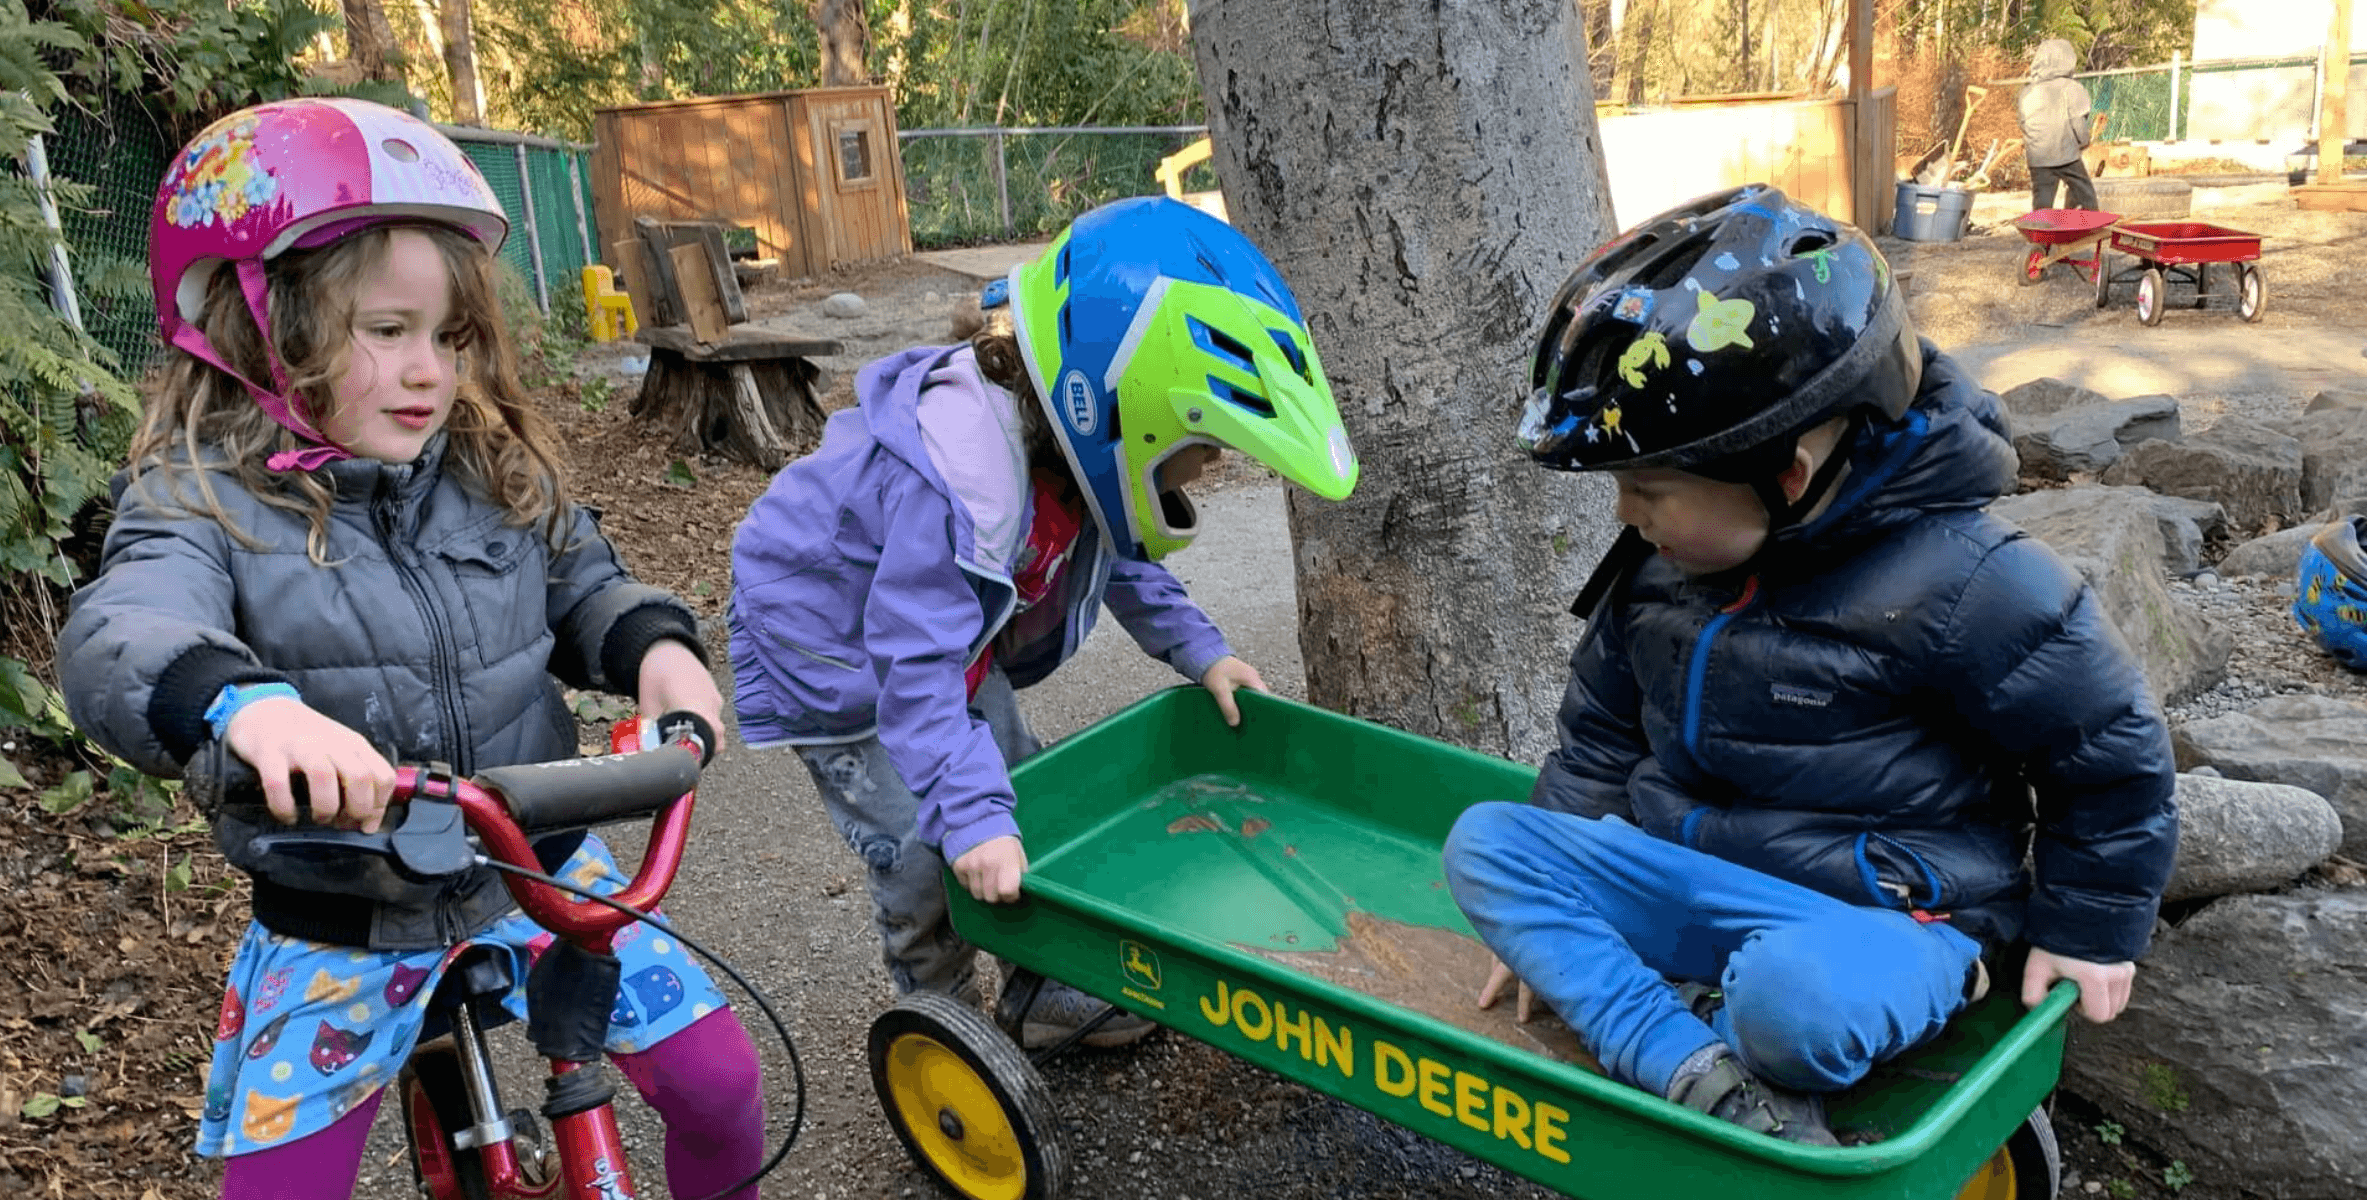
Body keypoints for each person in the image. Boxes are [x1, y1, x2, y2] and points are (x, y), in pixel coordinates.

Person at [57, 97, 763, 1199]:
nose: (431, 370)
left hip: (533, 864)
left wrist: (657, 653)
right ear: (261, 326)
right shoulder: (198, 502)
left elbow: (584, 582)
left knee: (720, 1086)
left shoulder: (488, 467)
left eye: (449, 336)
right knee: (277, 1189)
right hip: (341, 904)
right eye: (387, 333)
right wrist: (246, 707)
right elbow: (125, 628)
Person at [1442, 185, 2178, 1145]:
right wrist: (1549, 915)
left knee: (1790, 1008)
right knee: (1489, 844)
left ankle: (1711, 1019)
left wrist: (2085, 930)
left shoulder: (1968, 583)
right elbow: (1598, 734)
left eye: (1647, 488)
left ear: (1785, 471)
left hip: (1886, 922)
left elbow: (2108, 751)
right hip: (1695, 874)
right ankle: (1687, 1063)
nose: (1626, 515)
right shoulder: (1661, 571)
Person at [726, 196, 1358, 1048]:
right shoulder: (952, 488)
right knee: (924, 847)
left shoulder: (1067, 448)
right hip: (838, 659)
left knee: (1021, 796)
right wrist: (970, 822)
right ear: (1119, 411)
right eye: (1198, 448)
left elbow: (1124, 552)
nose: (1206, 472)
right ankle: (942, 1023)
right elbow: (913, 681)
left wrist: (1203, 652)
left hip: (942, 643)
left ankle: (1038, 987)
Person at [2021, 38, 2102, 211]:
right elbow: (2078, 122)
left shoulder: (2027, 92)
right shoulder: (2071, 88)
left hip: (2038, 158)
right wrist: (2084, 141)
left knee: (2042, 202)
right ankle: (2084, 228)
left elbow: (2023, 124)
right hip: (2066, 156)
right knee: (2084, 194)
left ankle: (2042, 233)